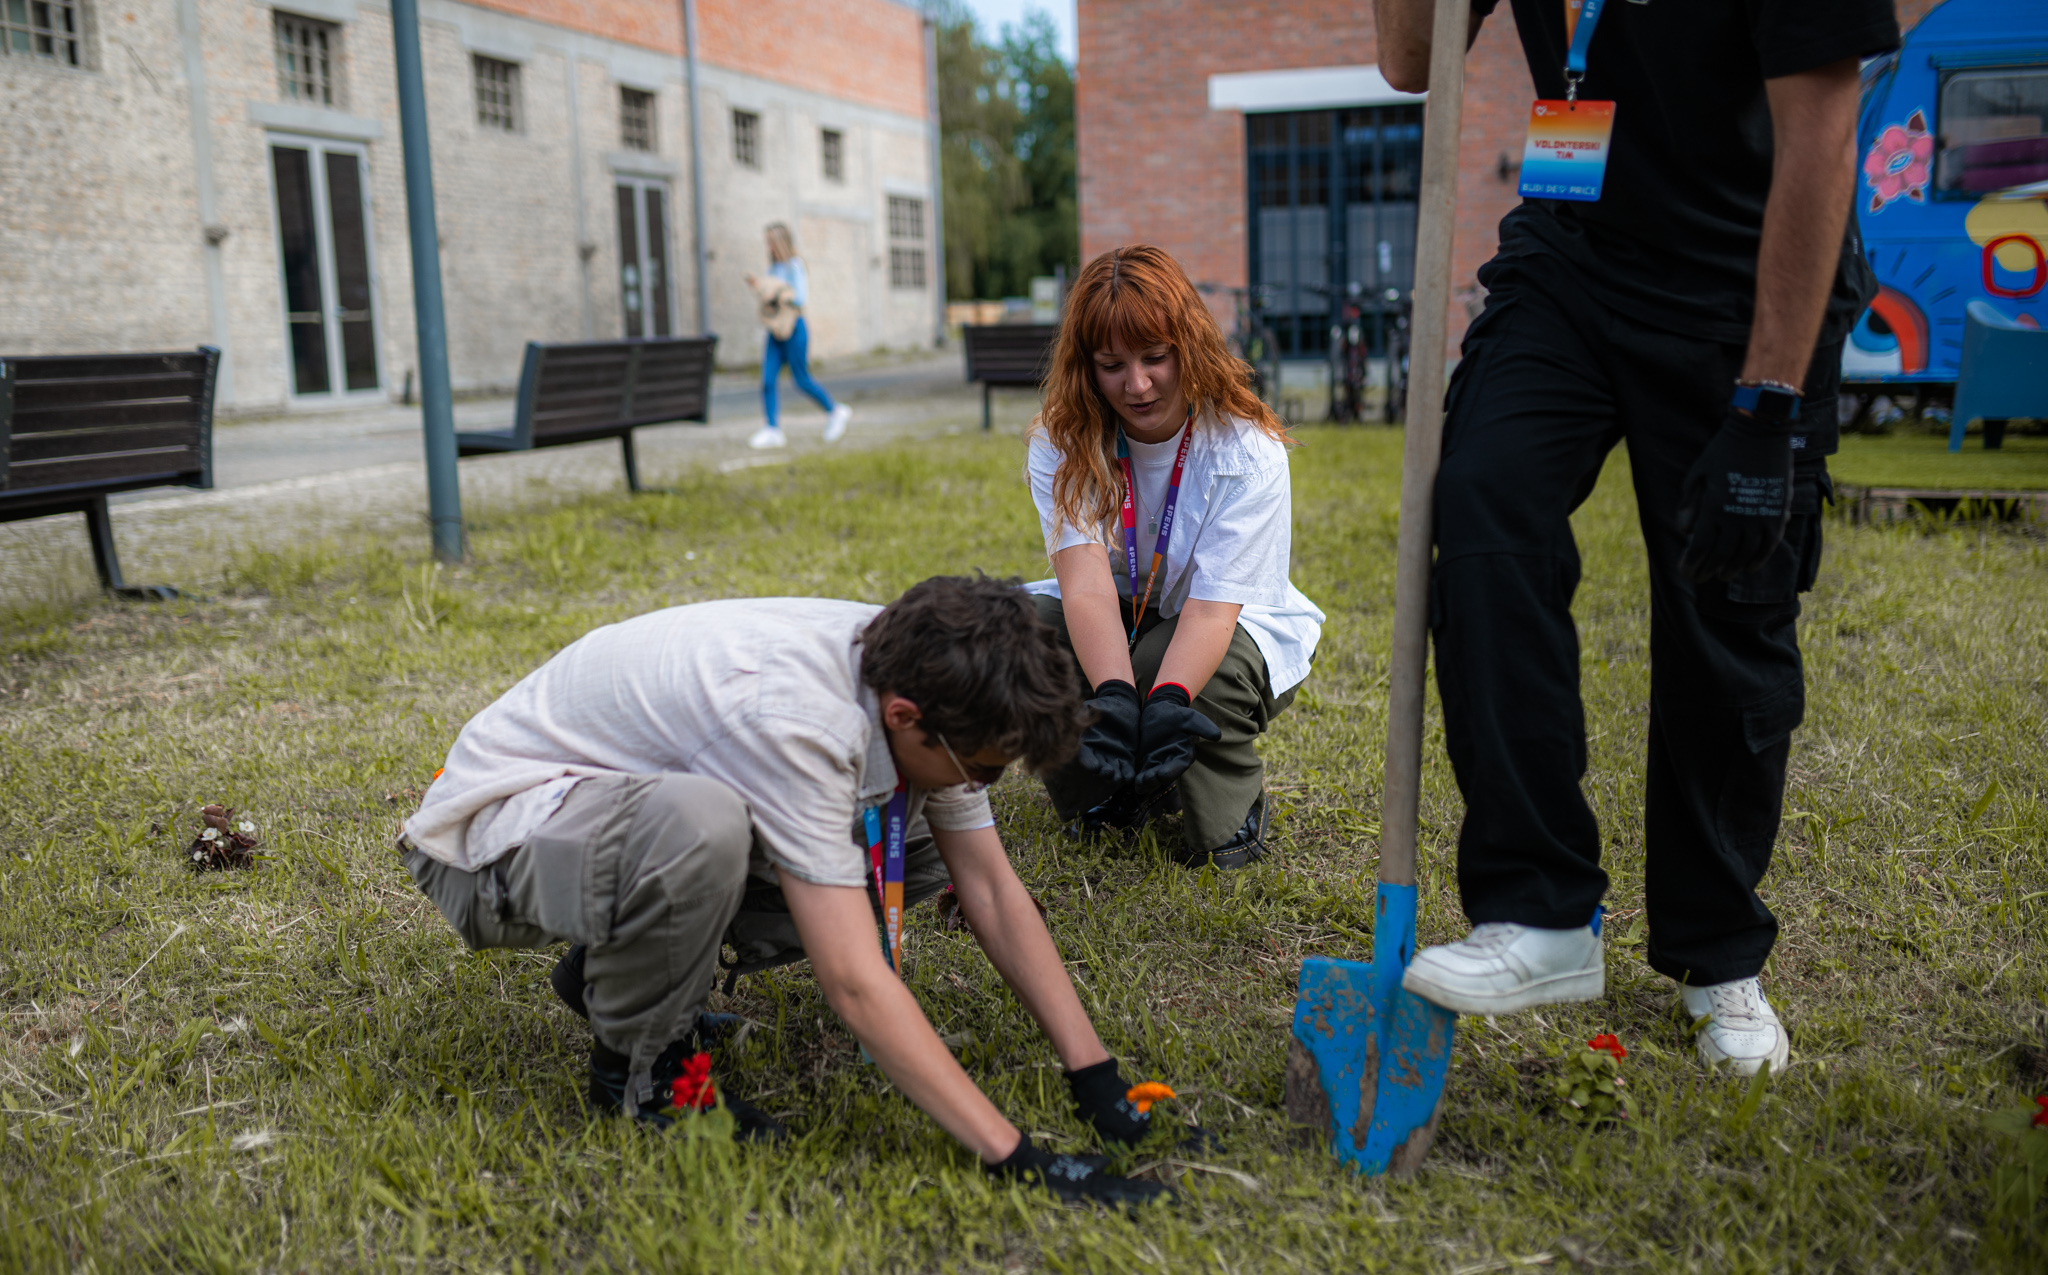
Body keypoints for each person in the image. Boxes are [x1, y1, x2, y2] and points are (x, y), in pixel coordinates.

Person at [1375, 0, 1899, 1074]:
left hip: (1741, 282)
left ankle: (1717, 955)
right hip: (1570, 263)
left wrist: (1765, 404)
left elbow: (1820, 135)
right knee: (1480, 499)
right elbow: (1406, 61)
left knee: (1726, 604)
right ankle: (1538, 913)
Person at [400, 576, 1186, 1206]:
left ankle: (616, 970)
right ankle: (641, 1079)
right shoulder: (800, 720)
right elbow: (852, 980)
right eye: (982, 768)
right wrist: (1017, 1156)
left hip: (607, 822)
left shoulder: (929, 670)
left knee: (916, 850)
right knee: (701, 827)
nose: (984, 784)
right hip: (492, 843)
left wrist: (1096, 1077)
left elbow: (990, 884)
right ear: (906, 717)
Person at [1022, 245, 1325, 869]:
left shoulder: (1248, 449)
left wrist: (1164, 698)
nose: (1137, 385)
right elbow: (1083, 588)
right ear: (1086, 367)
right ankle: (1108, 794)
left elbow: (1213, 612)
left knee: (1168, 671)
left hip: (1228, 617)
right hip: (1120, 602)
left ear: (1189, 346)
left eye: (1156, 358)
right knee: (1022, 638)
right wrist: (1110, 691)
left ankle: (1230, 811)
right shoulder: (1063, 439)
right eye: (1112, 365)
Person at [746, 222, 853, 450]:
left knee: (801, 379)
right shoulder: (773, 269)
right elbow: (770, 296)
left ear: (781, 242)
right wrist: (760, 287)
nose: (769, 247)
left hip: (794, 328)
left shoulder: (795, 266)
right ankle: (772, 429)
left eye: (771, 242)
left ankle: (835, 411)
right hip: (775, 330)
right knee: (767, 380)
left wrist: (778, 292)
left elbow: (800, 298)